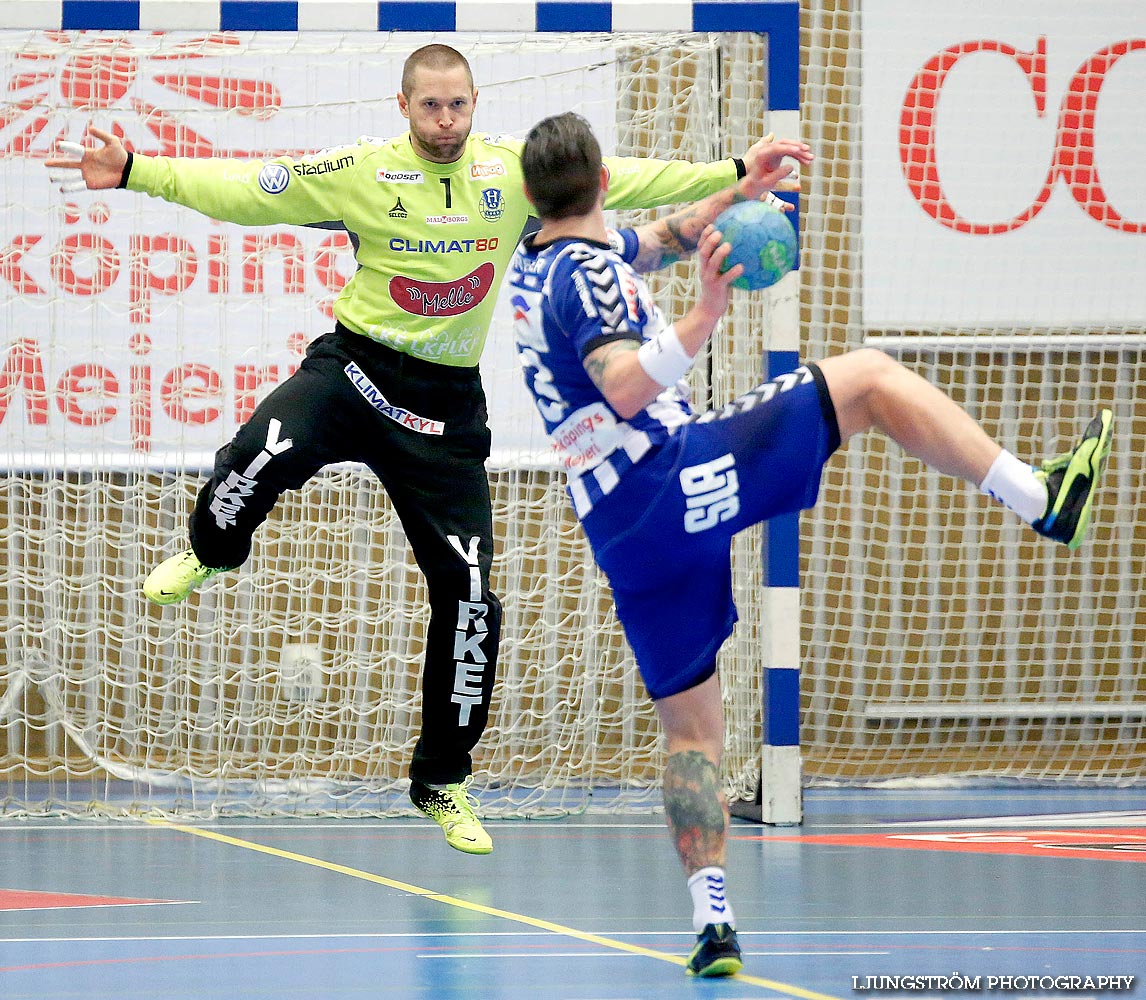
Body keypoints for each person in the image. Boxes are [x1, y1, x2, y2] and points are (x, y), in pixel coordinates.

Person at [44, 45, 813, 857]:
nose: (446, 122)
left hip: (444, 409)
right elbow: (246, 190)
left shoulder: (511, 175)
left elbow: (623, 179)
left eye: (458, 107)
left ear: (475, 102)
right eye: (430, 108)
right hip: (353, 375)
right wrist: (136, 171)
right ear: (403, 106)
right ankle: (210, 549)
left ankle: (441, 779)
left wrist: (734, 168)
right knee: (257, 452)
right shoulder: (360, 173)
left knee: (474, 598)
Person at [506, 111, 1113, 977]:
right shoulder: (588, 283)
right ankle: (1041, 498)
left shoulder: (544, 258)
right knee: (864, 378)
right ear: (602, 180)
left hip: (624, 534)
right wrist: (710, 312)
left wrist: (739, 192)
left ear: (535, 197)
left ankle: (712, 919)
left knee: (691, 731)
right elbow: (628, 387)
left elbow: (659, 240)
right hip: (669, 479)